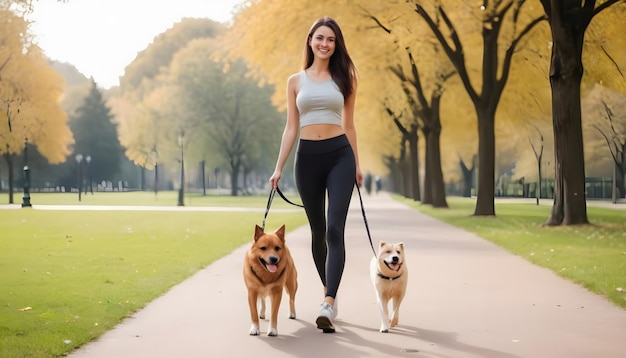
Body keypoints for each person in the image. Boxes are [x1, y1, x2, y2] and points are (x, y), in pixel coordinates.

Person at [269, 16, 362, 333]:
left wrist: (357, 166)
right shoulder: (295, 81)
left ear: (336, 45)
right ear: (310, 40)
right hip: (306, 158)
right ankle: (329, 292)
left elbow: (349, 125)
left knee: (336, 229)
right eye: (320, 38)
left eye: (331, 40)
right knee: (318, 232)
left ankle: (328, 302)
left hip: (340, 156)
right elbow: (291, 127)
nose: (325, 44)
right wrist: (278, 167)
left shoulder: (345, 76)